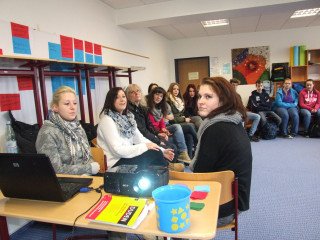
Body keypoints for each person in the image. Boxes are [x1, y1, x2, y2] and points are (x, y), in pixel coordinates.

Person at [190, 77, 252, 226]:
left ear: (223, 100)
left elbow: (199, 175)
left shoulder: (216, 129)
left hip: (220, 210)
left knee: (166, 203)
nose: (200, 101)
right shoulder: (234, 120)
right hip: (235, 202)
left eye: (208, 96)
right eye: (200, 96)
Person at [97, 87, 173, 169]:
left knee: (157, 151)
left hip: (126, 157)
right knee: (153, 153)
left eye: (123, 96)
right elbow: (117, 150)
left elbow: (140, 139)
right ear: (111, 101)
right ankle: (167, 170)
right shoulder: (107, 120)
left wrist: (162, 150)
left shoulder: (128, 118)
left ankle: (166, 169)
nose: (122, 100)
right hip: (115, 163)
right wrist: (145, 147)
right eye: (117, 97)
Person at [36, 86, 100, 175]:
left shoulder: (78, 127)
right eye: (67, 104)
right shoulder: (48, 132)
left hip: (87, 177)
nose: (72, 107)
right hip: (64, 183)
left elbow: (89, 157)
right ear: (55, 107)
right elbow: (55, 169)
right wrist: (88, 169)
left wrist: (88, 172)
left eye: (74, 103)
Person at [125, 84, 184, 171]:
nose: (136, 93)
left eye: (138, 91)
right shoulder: (130, 111)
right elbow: (142, 131)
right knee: (171, 146)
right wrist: (157, 140)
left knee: (173, 145)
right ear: (128, 96)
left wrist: (158, 133)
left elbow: (150, 125)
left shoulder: (141, 108)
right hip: (140, 141)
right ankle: (166, 167)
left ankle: (170, 166)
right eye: (132, 92)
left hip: (148, 136)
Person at [146, 86, 192, 164]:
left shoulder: (159, 108)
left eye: (161, 96)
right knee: (183, 128)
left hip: (161, 130)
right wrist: (161, 132)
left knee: (185, 132)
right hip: (154, 133)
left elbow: (162, 123)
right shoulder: (147, 108)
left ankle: (184, 155)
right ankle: (181, 160)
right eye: (157, 94)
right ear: (152, 95)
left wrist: (164, 129)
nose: (159, 97)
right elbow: (150, 126)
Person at [167, 83, 198, 158]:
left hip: (180, 122)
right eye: (174, 89)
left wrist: (183, 117)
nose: (176, 91)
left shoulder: (179, 100)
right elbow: (171, 118)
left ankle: (189, 158)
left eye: (177, 89)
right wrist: (183, 118)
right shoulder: (168, 100)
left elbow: (180, 114)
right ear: (171, 89)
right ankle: (199, 143)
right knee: (190, 126)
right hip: (173, 124)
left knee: (189, 135)